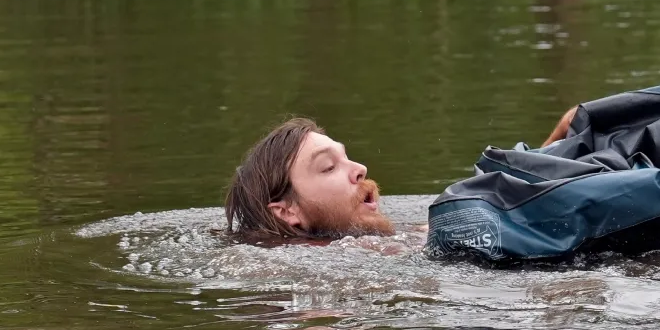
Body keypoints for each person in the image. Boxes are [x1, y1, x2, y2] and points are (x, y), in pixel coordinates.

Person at [223, 111, 577, 240]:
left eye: (348, 158)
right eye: (329, 167)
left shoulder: (381, 242)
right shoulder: (301, 266)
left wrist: (556, 143)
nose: (359, 169)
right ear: (287, 211)